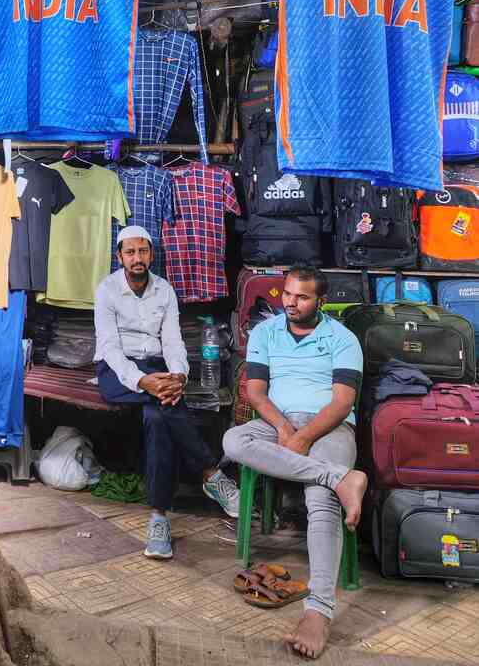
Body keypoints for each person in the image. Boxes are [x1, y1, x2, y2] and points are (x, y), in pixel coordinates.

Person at [223, 264, 369, 661]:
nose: (291, 302)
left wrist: (305, 436)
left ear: (320, 300)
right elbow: (255, 392)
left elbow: (342, 403)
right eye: (287, 294)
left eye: (301, 297)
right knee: (234, 439)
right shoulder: (265, 332)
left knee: (321, 500)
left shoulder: (343, 338)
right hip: (276, 424)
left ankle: (318, 613)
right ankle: (342, 478)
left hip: (329, 428)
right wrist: (285, 430)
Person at [93, 225, 239, 560]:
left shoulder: (165, 291)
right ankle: (210, 473)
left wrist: (177, 376)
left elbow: (173, 342)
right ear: (120, 257)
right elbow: (110, 349)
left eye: (143, 251)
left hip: (158, 367)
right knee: (161, 405)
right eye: (130, 252)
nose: (137, 258)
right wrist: (144, 382)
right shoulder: (107, 290)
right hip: (117, 371)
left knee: (158, 417)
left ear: (151, 254)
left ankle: (159, 518)